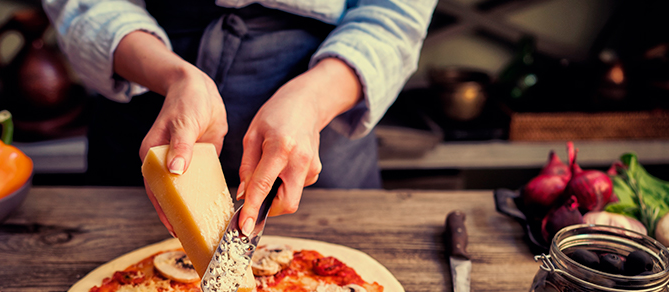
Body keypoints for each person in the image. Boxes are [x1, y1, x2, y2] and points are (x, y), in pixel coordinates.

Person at [43, 0, 437, 236]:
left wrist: (313, 98)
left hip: (327, 87)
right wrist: (175, 76)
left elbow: (396, 13)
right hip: (144, 76)